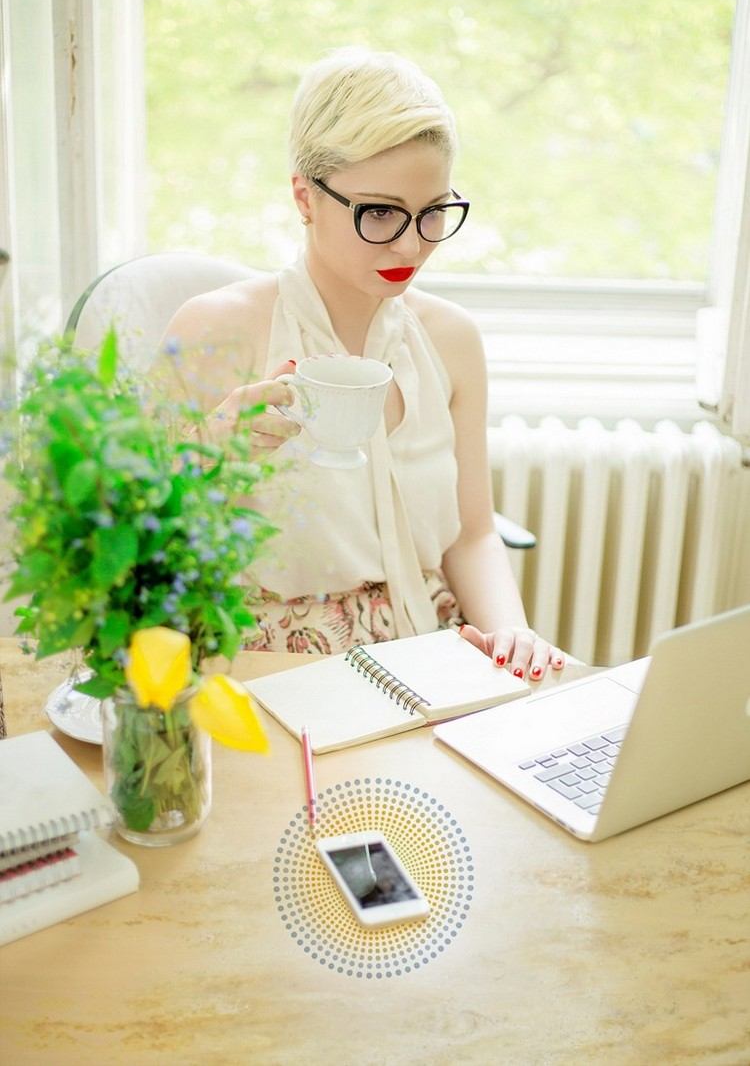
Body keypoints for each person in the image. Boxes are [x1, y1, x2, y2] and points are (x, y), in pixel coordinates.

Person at [156, 46, 564, 680]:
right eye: (379, 212)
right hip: (260, 657)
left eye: (433, 213)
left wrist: (512, 633)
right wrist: (209, 456)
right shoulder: (217, 329)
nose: (411, 244)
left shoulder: (451, 339)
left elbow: (472, 534)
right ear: (304, 197)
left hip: (428, 642)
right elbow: (135, 545)